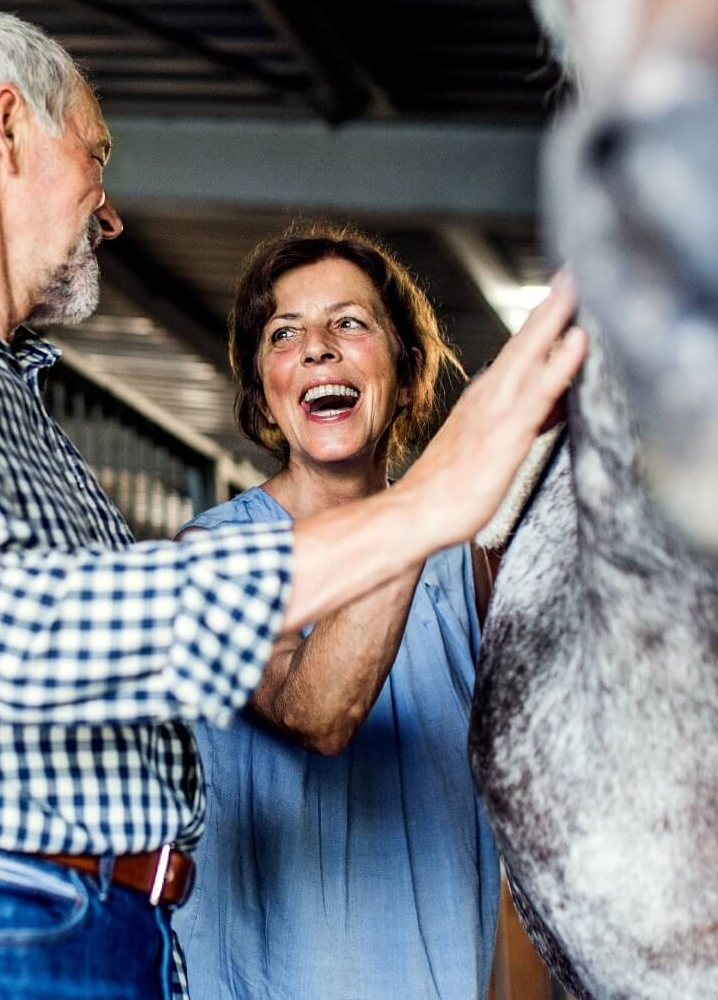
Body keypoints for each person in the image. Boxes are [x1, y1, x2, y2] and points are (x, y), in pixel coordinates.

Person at [0, 8, 584, 1000]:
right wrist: (432, 499)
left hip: (90, 928)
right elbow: (10, 626)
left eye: (351, 326)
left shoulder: (14, 412)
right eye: (95, 152)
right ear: (7, 129)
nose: (107, 208)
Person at [172, 225, 501, 1000]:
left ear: (406, 365)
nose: (319, 348)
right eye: (285, 334)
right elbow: (315, 713)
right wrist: (436, 496)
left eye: (350, 323)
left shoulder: (465, 562)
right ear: (263, 387)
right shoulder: (215, 556)